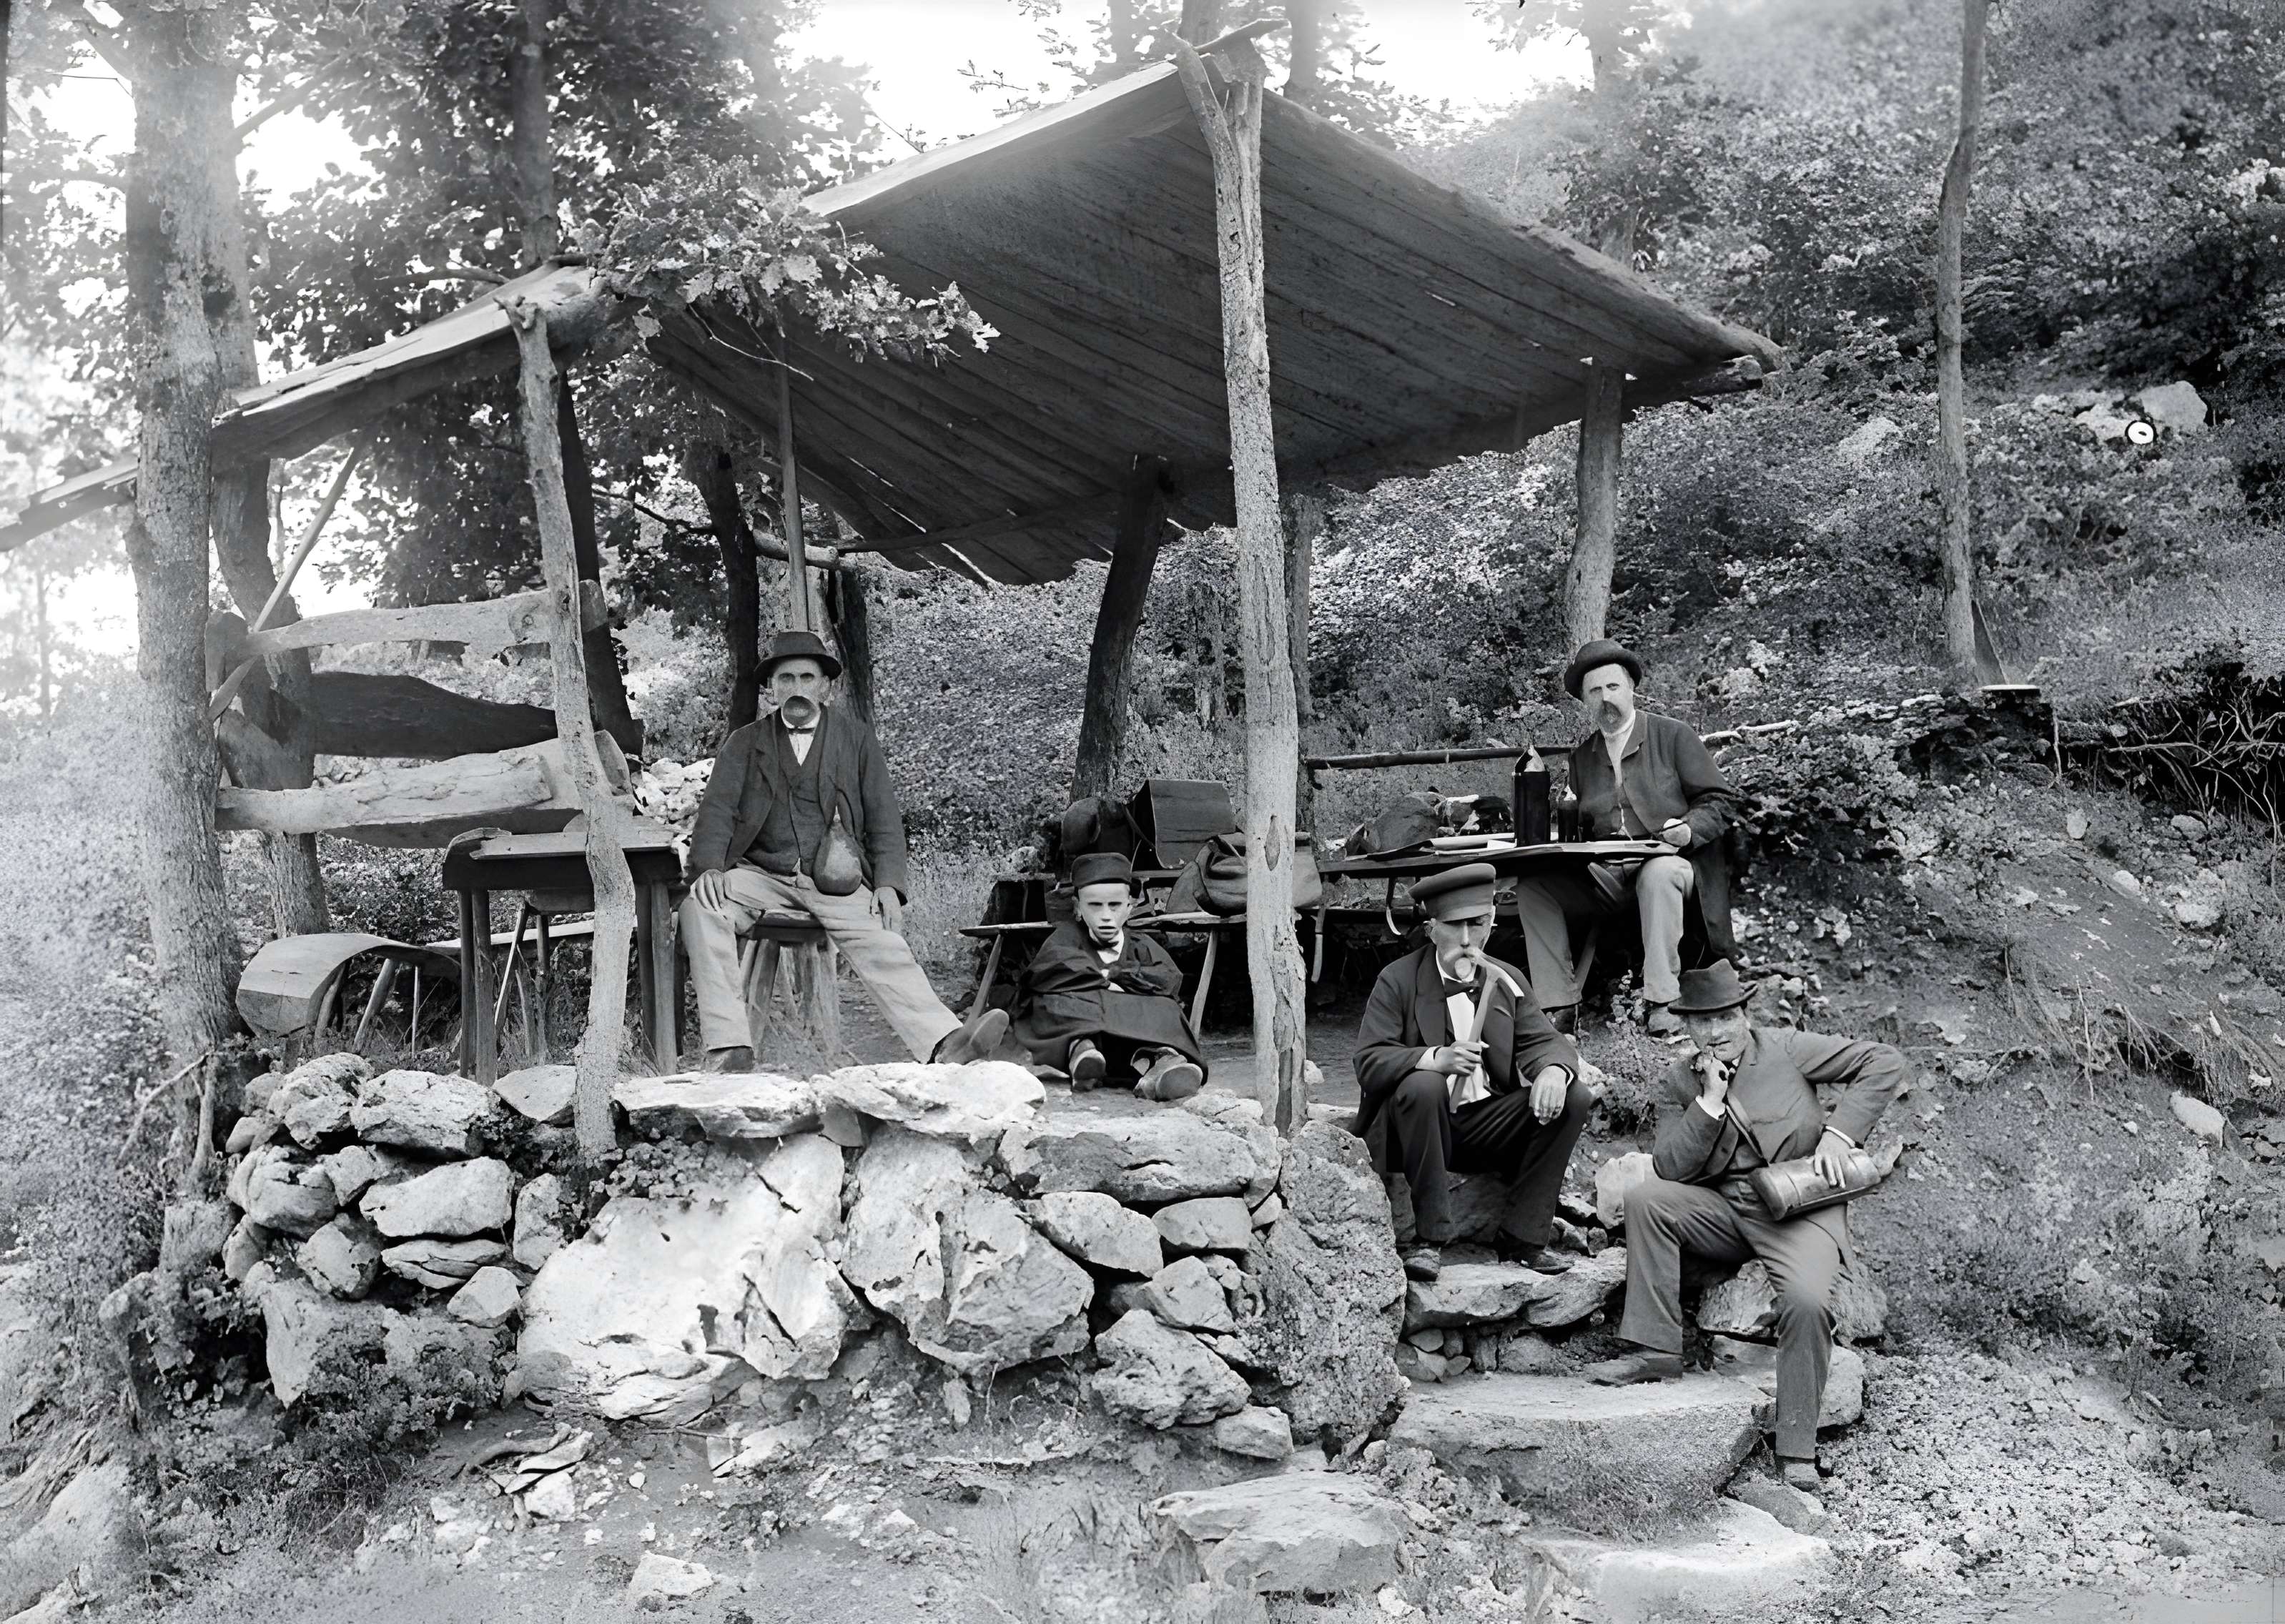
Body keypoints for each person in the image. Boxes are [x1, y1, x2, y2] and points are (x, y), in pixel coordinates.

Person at [1581, 961, 1907, 1495]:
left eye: (1727, 1017)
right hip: (1725, 1210)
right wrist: (1708, 1104)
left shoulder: (1786, 1048)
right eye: (1705, 1022)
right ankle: (1658, 1350)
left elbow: (1884, 1061)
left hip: (1798, 1210)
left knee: (1806, 1300)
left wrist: (1840, 1136)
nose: (1718, 1032)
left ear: (1744, 1014)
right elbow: (1670, 1168)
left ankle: (1796, 1449)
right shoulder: (1679, 1081)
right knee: (1647, 1200)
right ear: (1688, 1028)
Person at [678, 629, 1006, 1071]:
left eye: (807, 678)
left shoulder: (856, 739)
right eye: (786, 679)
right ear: (770, 690)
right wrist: (708, 870)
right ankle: (728, 1047)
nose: (797, 688)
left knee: (883, 941)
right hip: (761, 877)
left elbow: (884, 820)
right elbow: (717, 813)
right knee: (701, 908)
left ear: (826, 687)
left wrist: (889, 884)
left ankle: (946, 1045)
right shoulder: (744, 743)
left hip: (837, 880)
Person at [1354, 863, 1594, 1283]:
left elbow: (1543, 1041)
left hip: (1484, 1127)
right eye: (1453, 926)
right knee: (1424, 1085)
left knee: (1574, 1097)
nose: (1466, 941)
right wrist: (1433, 1058)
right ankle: (1428, 1242)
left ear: (1492, 922)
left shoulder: (1507, 979)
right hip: (1417, 1131)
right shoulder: (1397, 980)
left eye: (1477, 925)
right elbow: (1369, 1062)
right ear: (1431, 929)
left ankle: (1523, 1238)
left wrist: (1555, 1070)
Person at [1513, 638, 1739, 1036]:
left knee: (1658, 873)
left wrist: (1688, 829)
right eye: (1595, 691)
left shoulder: (1673, 736)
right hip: (1607, 874)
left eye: (1613, 687)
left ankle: (1663, 1001)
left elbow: (1719, 801)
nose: (1606, 698)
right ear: (1585, 700)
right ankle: (1560, 1007)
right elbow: (1581, 827)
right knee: (1535, 887)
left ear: (1632, 688)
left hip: (1672, 866)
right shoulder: (1582, 758)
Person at [1010, 851, 1207, 1102]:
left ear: (1129, 908)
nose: (1106, 915)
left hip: (1135, 1033)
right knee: (1053, 1003)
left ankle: (1165, 1063)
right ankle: (1082, 1052)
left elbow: (1166, 978)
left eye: (1114, 905)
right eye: (1095, 905)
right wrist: (1105, 980)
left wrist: (1119, 975)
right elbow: (1049, 969)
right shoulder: (1066, 938)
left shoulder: (1141, 944)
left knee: (1167, 1009)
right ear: (1078, 907)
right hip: (1087, 1023)